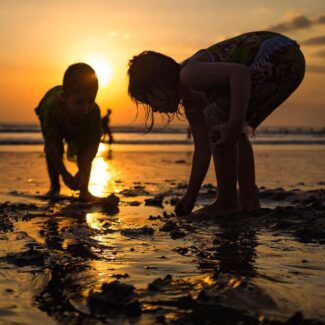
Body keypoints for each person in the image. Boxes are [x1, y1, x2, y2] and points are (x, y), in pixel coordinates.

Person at [127, 31, 305, 218]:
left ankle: (227, 201)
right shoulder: (192, 106)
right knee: (226, 128)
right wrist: (190, 197)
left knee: (221, 122)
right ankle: (249, 200)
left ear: (160, 85)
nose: (154, 109)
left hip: (277, 54)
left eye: (149, 100)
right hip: (288, 61)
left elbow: (240, 73)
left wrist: (235, 125)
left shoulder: (189, 75)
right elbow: (203, 151)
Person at [35, 63, 102, 202]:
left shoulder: (93, 111)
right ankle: (54, 187)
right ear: (65, 98)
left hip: (81, 127)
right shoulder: (52, 108)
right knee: (55, 147)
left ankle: (84, 191)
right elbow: (51, 147)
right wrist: (65, 174)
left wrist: (82, 170)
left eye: (90, 101)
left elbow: (93, 145)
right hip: (53, 115)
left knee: (84, 148)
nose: (85, 108)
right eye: (79, 102)